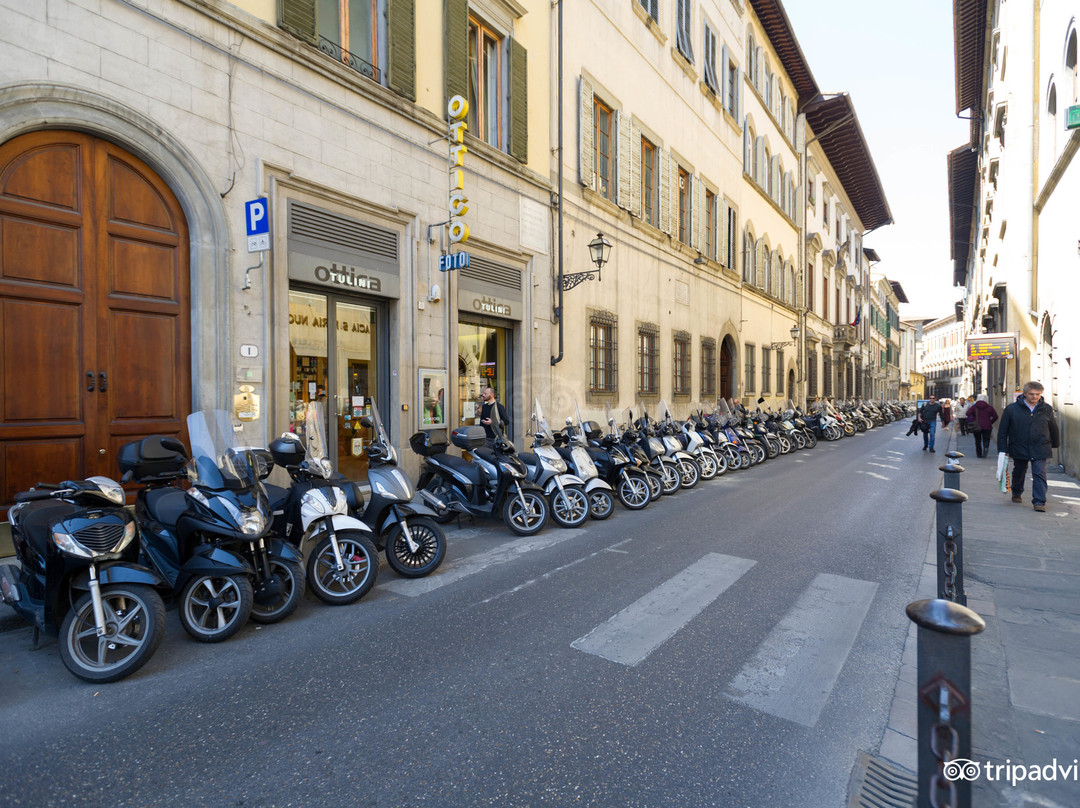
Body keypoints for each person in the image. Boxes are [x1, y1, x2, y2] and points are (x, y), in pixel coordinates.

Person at [997, 381, 1059, 512]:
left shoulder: (1046, 408)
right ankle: (1017, 491)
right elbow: (1003, 431)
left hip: (1040, 446)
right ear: (1024, 394)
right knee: (1019, 470)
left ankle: (1039, 501)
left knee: (1039, 472)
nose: (1034, 397)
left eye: (1037, 394)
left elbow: (1053, 427)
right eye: (1031, 394)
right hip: (1019, 445)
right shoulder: (1012, 409)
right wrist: (1003, 449)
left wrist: (1055, 443)